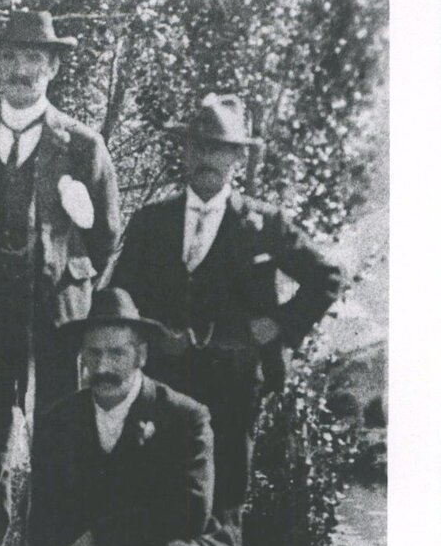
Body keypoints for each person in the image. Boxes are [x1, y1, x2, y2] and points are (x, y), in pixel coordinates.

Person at [0, 9, 120, 546]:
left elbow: (106, 235)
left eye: (34, 59)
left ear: (53, 68)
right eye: (11, 58)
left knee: (56, 432)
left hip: (54, 314)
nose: (22, 70)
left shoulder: (82, 145)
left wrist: (68, 277)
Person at [108, 93, 344, 522]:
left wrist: (279, 325)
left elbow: (326, 279)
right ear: (184, 150)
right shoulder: (151, 221)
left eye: (219, 148)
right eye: (198, 146)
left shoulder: (264, 224)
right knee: (156, 486)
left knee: (226, 497)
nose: (207, 158)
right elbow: (122, 296)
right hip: (164, 380)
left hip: (234, 384)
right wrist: (151, 336)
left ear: (237, 156)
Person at [28, 289, 242, 546]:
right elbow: (46, 509)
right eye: (93, 353)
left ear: (141, 355)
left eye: (116, 353)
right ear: (81, 357)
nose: (103, 366)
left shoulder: (184, 416)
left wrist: (102, 541)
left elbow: (190, 510)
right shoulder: (58, 420)